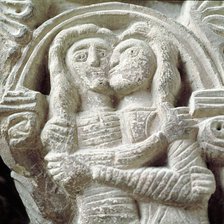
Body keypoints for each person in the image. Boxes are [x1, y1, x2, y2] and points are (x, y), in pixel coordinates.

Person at [44, 23, 214, 224]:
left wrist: (95, 172)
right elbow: (64, 176)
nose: (99, 62)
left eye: (132, 53)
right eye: (81, 57)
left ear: (158, 65)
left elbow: (193, 187)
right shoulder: (66, 128)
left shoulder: (168, 119)